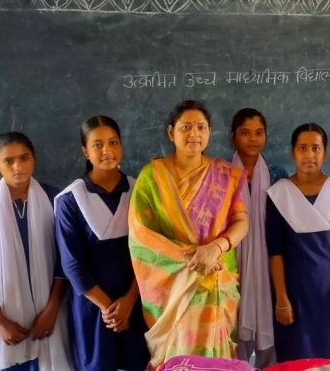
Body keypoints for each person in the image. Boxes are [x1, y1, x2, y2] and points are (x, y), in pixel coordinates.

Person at [128, 100, 249, 367]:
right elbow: (141, 236)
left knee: (215, 361)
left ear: (209, 132)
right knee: (179, 357)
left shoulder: (224, 175)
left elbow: (241, 221)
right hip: (173, 286)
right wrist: (194, 258)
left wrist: (215, 248)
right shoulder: (152, 176)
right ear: (171, 132)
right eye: (186, 127)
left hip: (217, 278)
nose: (194, 133)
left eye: (201, 127)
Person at [0, 132, 73, 371]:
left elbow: (64, 259)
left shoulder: (56, 199)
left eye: (24, 158)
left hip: (50, 309)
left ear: (34, 159)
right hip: (1, 313)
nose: (18, 166)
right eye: (8, 161)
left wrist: (52, 310)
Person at [54, 115, 150, 371]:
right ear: (85, 151)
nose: (107, 150)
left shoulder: (138, 191)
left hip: (136, 302)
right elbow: (72, 264)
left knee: (137, 363)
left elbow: (148, 254)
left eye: (113, 142)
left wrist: (128, 303)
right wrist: (111, 310)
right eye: (97, 145)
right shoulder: (71, 199)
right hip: (94, 309)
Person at [266, 123, 330, 366]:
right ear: (293, 152)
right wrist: (281, 299)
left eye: (316, 148)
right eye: (302, 148)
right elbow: (275, 252)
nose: (309, 155)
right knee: (297, 362)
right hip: (294, 297)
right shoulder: (278, 194)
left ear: (325, 152)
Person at [230, 108, 288, 368]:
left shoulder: (277, 174)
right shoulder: (221, 173)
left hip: (269, 259)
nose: (253, 139)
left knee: (272, 326)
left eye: (259, 133)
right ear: (233, 136)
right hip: (231, 259)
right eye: (245, 133)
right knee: (232, 324)